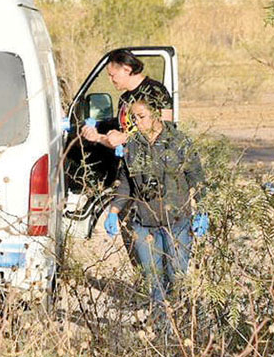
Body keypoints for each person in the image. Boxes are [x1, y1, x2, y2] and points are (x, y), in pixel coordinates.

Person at [102, 97, 208, 336]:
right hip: (144, 223)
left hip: (177, 222)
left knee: (176, 275)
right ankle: (163, 330)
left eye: (141, 117)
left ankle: (183, 327)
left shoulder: (179, 142)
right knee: (154, 279)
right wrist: (114, 211)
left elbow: (197, 178)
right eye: (133, 119)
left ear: (156, 115)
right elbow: (126, 184)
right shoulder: (133, 146)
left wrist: (202, 209)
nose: (136, 123)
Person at [79, 49, 173, 150]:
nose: (110, 80)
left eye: (112, 75)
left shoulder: (155, 91)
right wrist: (97, 137)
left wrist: (124, 138)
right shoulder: (124, 99)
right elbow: (122, 143)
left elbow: (165, 131)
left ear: (127, 69)